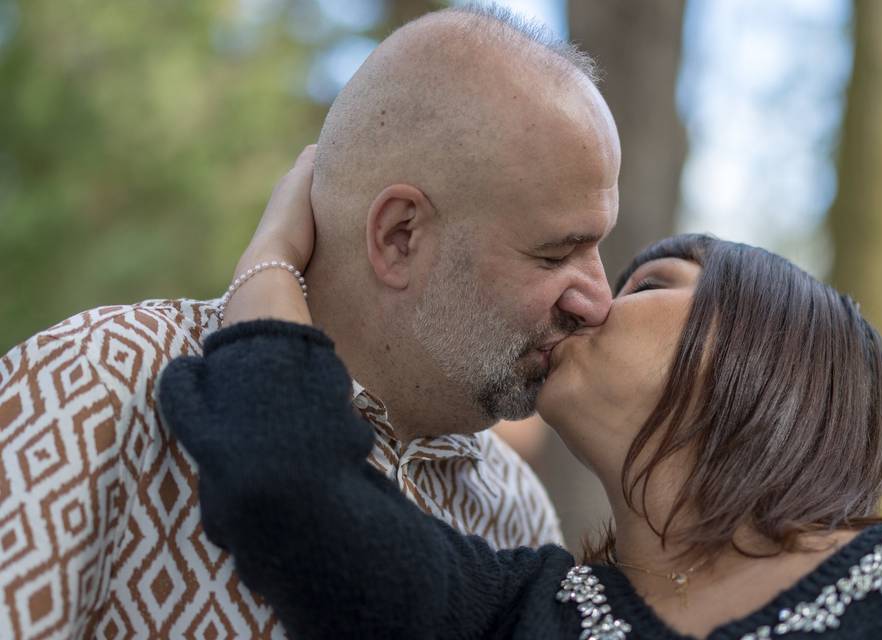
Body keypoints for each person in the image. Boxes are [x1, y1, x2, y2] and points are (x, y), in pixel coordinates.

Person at [159, 150, 882, 639]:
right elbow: (283, 480)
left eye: (646, 283)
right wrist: (272, 256)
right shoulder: (511, 614)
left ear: (767, 349)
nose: (585, 301)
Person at [0, 6, 618, 637]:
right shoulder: (98, 384)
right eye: (555, 253)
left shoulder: (513, 505)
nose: (598, 300)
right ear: (400, 235)